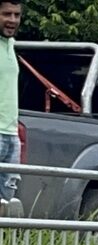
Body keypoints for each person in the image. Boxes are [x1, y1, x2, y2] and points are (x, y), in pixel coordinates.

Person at [0, 0, 22, 218]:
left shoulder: (11, 45)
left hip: (11, 134)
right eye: (7, 14)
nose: (12, 20)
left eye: (16, 15)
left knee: (8, 205)